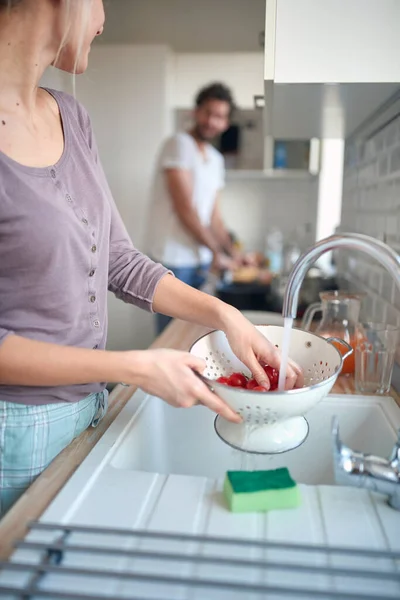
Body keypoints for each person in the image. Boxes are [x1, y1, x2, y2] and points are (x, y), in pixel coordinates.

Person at [0, 0, 302, 517]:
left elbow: (118, 259)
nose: (102, 16)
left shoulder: (72, 115)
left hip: (88, 413)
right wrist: (132, 367)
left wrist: (226, 315)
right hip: (15, 433)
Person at [146, 83, 245, 333]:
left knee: (194, 338)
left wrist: (233, 254)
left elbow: (215, 217)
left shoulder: (216, 159)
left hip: (199, 262)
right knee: (172, 339)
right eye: (208, 112)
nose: (212, 121)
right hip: (173, 260)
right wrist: (216, 252)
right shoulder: (179, 144)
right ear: (196, 112)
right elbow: (185, 209)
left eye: (220, 116)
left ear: (226, 122)